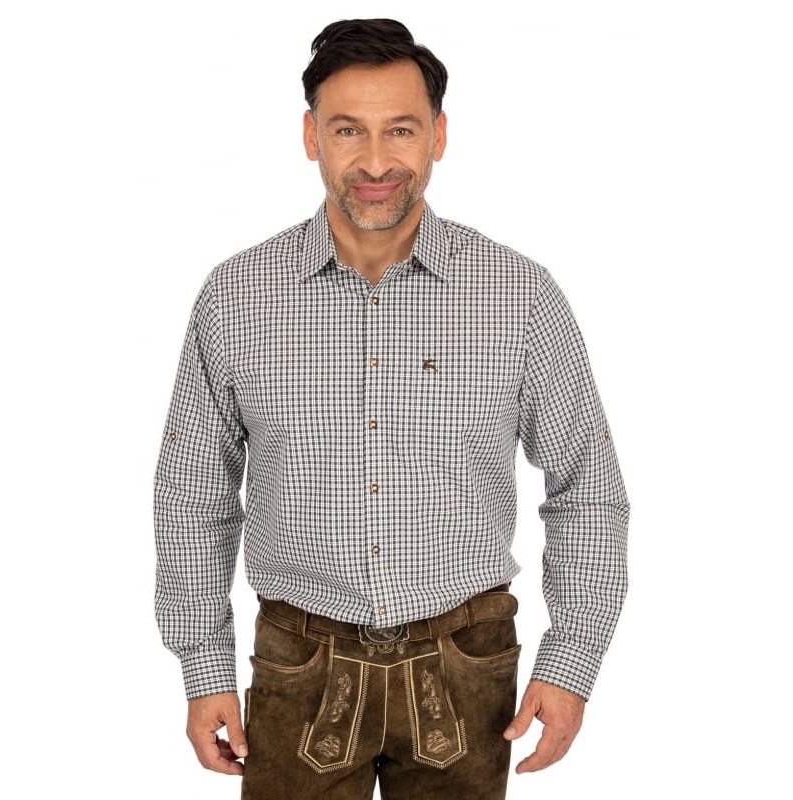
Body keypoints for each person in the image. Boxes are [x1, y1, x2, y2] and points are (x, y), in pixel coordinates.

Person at [154, 18, 629, 800]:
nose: (375, 162)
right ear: (311, 136)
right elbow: (192, 495)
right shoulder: (236, 297)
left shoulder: (519, 296)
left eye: (400, 130)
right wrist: (203, 668)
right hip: (297, 663)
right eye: (348, 130)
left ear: (438, 135)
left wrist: (571, 659)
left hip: (468, 664)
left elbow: (588, 487)